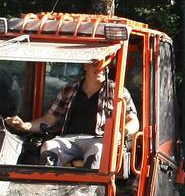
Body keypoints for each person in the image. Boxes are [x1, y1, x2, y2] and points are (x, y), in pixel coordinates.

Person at [3, 57, 138, 169]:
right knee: (49, 145)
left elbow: (133, 121)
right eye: (96, 64)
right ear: (86, 64)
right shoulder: (69, 89)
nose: (100, 69)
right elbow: (49, 118)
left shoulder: (118, 92)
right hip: (69, 139)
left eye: (105, 65)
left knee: (98, 150)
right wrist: (25, 125)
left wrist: (121, 133)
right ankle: (47, 190)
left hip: (98, 139)